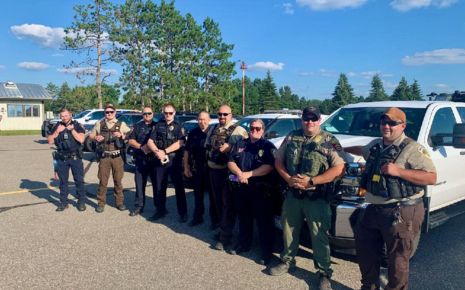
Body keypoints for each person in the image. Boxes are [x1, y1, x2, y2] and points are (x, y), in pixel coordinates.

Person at [348, 107, 437, 290]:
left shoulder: (414, 148)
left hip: (403, 210)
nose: (386, 126)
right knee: (366, 251)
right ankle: (369, 286)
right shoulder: (376, 145)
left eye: (392, 123)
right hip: (374, 207)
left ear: (402, 126)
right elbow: (361, 150)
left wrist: (399, 171)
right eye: (383, 122)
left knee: (397, 259)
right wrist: (340, 148)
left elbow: (431, 177)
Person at [268, 107, 345, 290]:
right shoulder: (292, 136)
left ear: (319, 120)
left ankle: (323, 272)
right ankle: (287, 261)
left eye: (313, 119)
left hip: (317, 198)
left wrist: (312, 181)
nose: (309, 122)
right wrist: (287, 178)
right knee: (289, 231)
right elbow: (278, 160)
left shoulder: (329, 141)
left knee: (319, 237)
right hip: (293, 195)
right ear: (302, 120)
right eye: (306, 119)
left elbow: (339, 169)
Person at [227, 119, 276, 265]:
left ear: (263, 130)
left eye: (258, 128)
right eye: (252, 128)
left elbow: (269, 166)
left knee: (264, 221)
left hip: (260, 189)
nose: (254, 130)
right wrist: (239, 173)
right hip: (242, 188)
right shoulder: (241, 143)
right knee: (244, 218)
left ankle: (266, 252)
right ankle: (244, 244)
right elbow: (231, 161)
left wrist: (248, 174)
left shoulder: (267, 146)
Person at [206, 104, 248, 251]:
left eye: (225, 114)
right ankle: (222, 229)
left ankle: (226, 237)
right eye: (220, 114)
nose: (222, 117)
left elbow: (244, 151)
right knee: (217, 203)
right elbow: (208, 148)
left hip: (228, 173)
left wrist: (230, 148)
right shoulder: (213, 129)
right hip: (213, 170)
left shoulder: (239, 131)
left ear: (231, 115)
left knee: (227, 205)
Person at [147, 103, 187, 222]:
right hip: (160, 160)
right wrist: (157, 151)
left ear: (174, 113)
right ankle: (160, 211)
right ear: (163, 113)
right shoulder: (158, 125)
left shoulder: (179, 126)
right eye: (166, 113)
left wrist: (164, 151)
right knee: (160, 187)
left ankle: (183, 213)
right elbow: (150, 141)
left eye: (170, 113)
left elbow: (180, 143)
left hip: (174, 161)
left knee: (179, 187)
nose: (168, 115)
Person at [89, 103, 131, 213]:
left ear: (115, 112)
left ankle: (119, 202)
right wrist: (95, 137)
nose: (109, 114)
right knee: (103, 181)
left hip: (117, 156)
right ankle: (101, 203)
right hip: (104, 156)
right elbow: (91, 136)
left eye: (111, 112)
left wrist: (122, 135)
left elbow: (130, 134)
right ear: (104, 113)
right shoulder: (100, 123)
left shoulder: (121, 124)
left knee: (118, 180)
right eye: (107, 112)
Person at [47, 108, 87, 211]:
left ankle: (81, 202)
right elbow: (50, 141)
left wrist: (72, 130)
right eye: (62, 116)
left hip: (75, 158)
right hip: (62, 158)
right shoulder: (57, 126)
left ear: (70, 115)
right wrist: (57, 132)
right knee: (63, 182)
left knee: (79, 181)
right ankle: (63, 203)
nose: (64, 118)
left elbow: (81, 140)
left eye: (66, 115)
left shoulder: (77, 125)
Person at [183, 111, 213, 226]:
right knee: (198, 195)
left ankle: (214, 220)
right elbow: (187, 151)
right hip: (197, 168)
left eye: (205, 119)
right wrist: (186, 167)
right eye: (200, 119)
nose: (202, 121)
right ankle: (197, 217)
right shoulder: (193, 133)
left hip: (211, 168)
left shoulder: (213, 132)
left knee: (213, 196)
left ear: (209, 120)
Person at [127, 106, 157, 216]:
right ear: (142, 115)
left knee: (156, 184)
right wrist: (141, 147)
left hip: (154, 160)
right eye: (145, 114)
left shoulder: (158, 126)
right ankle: (139, 206)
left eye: (149, 113)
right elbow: (130, 140)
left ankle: (158, 207)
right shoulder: (137, 126)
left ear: (153, 114)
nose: (147, 115)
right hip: (141, 159)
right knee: (140, 184)